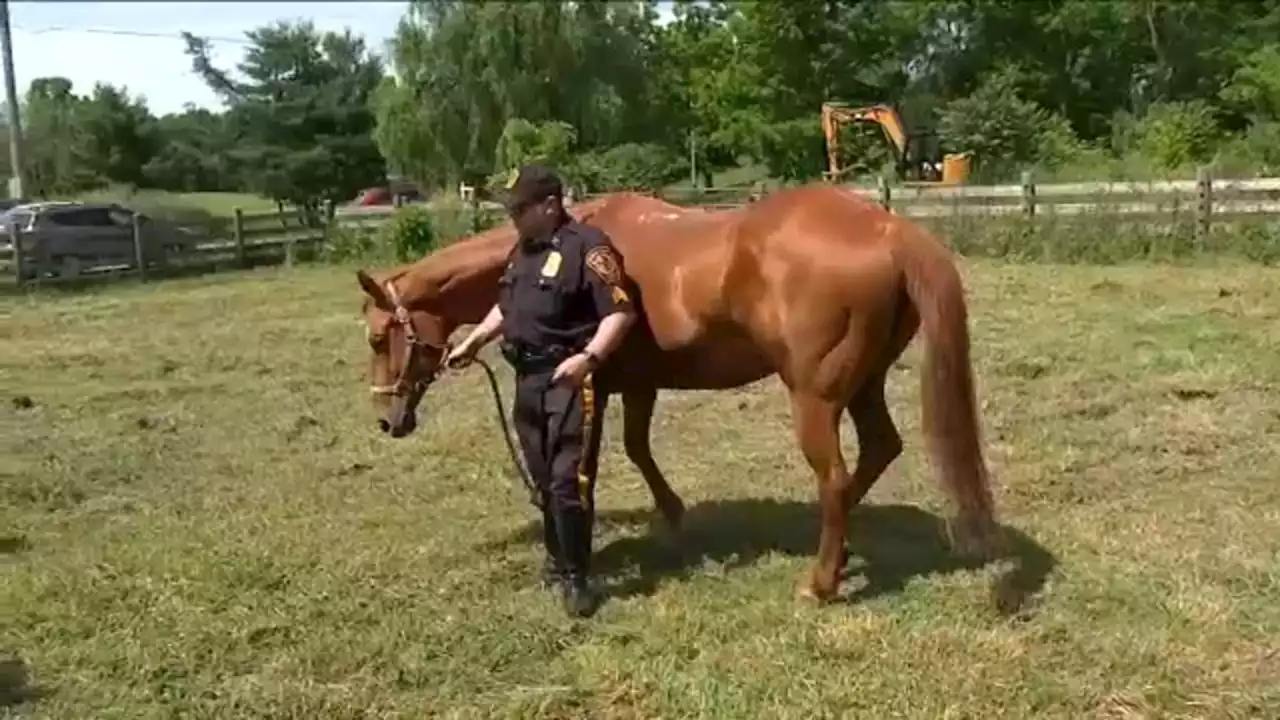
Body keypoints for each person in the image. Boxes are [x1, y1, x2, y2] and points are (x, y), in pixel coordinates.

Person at [445, 164, 637, 618]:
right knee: (542, 479)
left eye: (518, 208)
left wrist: (588, 359)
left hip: (566, 379)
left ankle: (578, 577)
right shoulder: (523, 249)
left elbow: (620, 312)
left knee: (567, 481)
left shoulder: (589, 248)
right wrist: (475, 341)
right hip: (525, 381)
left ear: (550, 206)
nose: (511, 216)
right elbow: (507, 305)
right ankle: (557, 558)